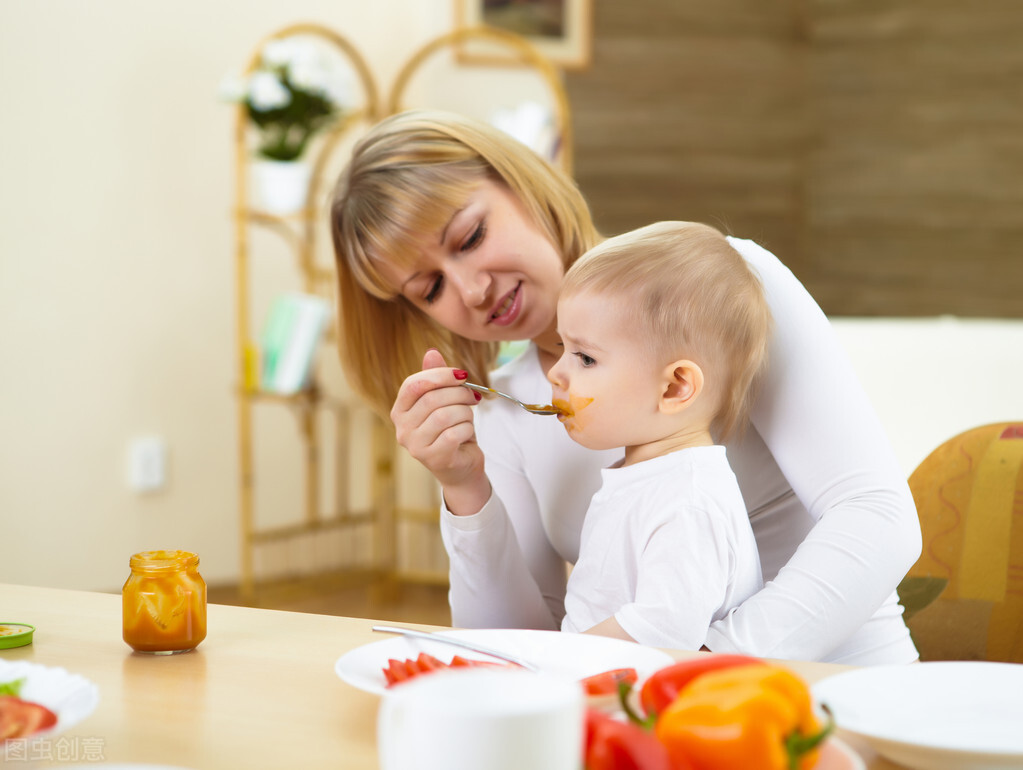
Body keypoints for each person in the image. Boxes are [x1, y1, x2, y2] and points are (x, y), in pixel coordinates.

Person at [329, 109, 921, 664]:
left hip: (840, 693)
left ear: (523, 183)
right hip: (654, 723)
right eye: (429, 288)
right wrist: (463, 489)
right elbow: (520, 650)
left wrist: (701, 669)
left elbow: (878, 517)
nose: (471, 289)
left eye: (470, 237)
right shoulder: (506, 415)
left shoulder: (723, 290)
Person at [551, 221, 768, 650]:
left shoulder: (688, 501)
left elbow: (664, 630)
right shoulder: (647, 476)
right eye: (562, 350)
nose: (557, 373)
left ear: (674, 388)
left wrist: (555, 660)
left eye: (585, 358)